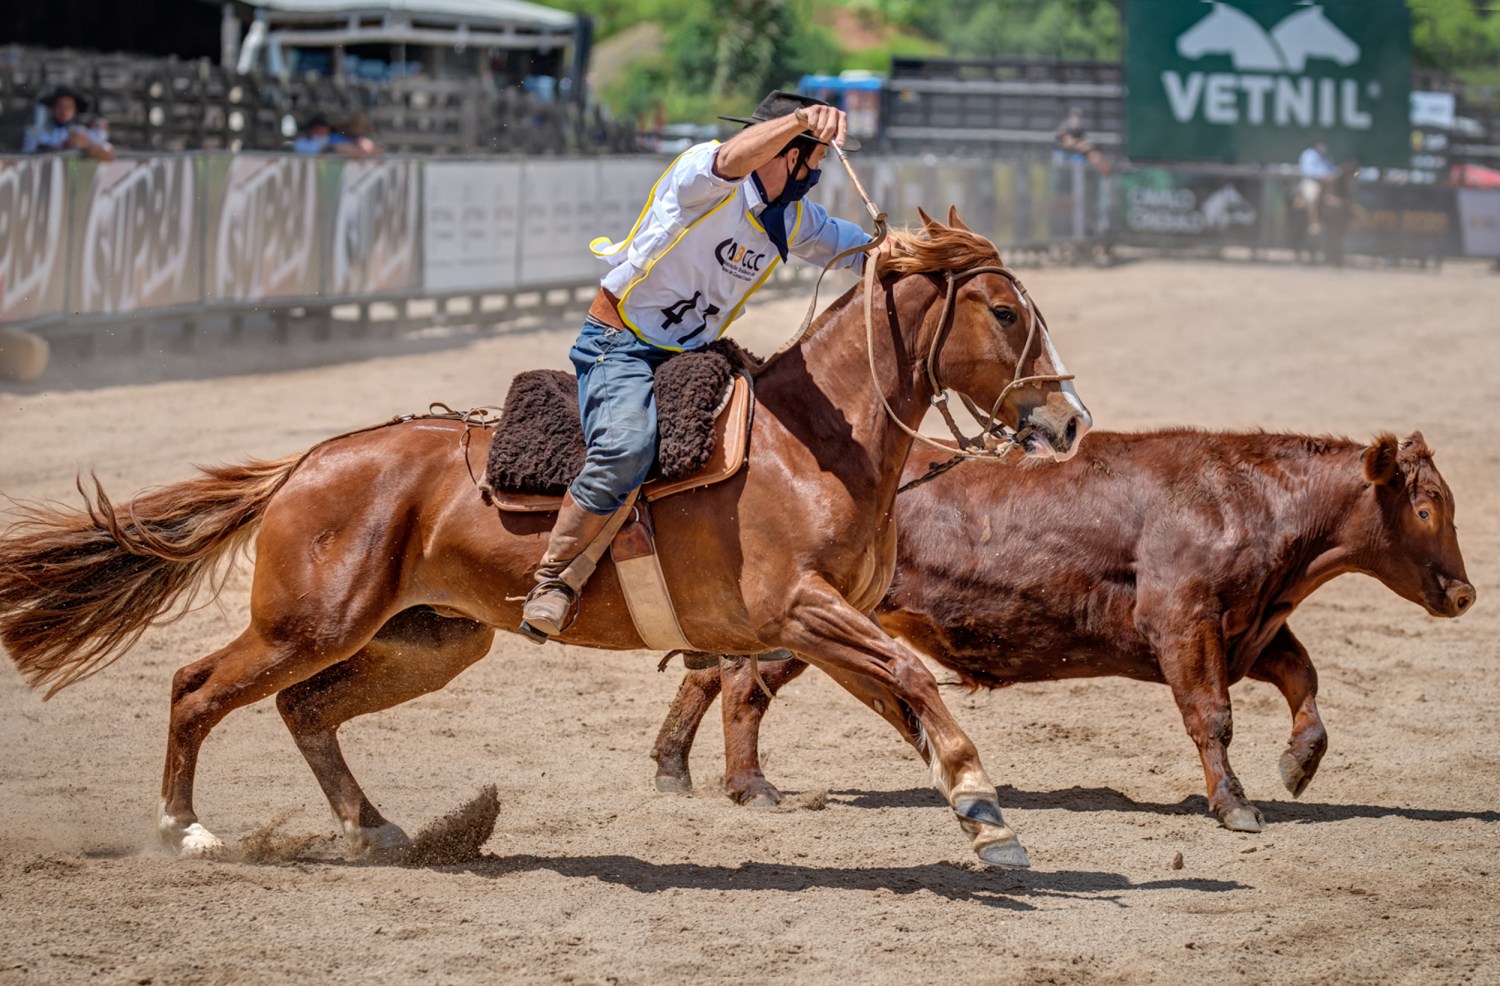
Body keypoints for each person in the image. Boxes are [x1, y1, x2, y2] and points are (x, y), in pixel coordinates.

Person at [519, 89, 877, 640]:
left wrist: (937, 253)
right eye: (817, 156)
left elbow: (865, 252)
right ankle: (554, 577)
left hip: (691, 354)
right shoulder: (703, 174)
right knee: (625, 448)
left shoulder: (795, 218)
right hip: (619, 342)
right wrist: (800, 119)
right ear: (789, 153)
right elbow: (732, 159)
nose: (820, 168)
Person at [22, 85, 114, 161]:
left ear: (74, 110)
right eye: (60, 106)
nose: (64, 110)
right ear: (52, 108)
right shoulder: (35, 132)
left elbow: (109, 157)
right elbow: (27, 159)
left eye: (69, 107)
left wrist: (87, 146)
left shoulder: (82, 132)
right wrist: (63, 147)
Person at [1298, 138, 1338, 235]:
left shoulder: (1328, 157)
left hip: (1328, 184)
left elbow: (1333, 170)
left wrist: (1331, 176)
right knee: (1312, 196)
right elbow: (1307, 171)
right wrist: (1322, 176)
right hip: (1311, 181)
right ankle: (1313, 222)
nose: (1322, 146)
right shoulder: (1309, 154)